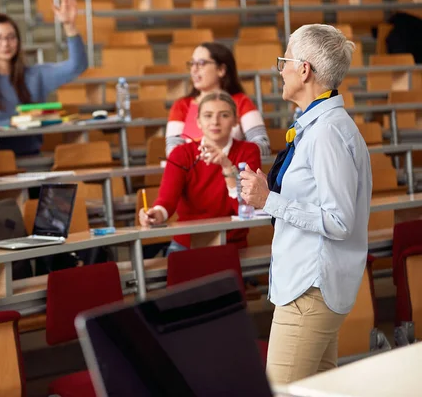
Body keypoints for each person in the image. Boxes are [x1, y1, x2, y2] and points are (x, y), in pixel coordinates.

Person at [239, 24, 372, 384]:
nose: (278, 69)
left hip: (310, 289)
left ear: (304, 69)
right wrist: (270, 196)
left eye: (284, 60)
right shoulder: (319, 126)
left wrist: (271, 200)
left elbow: (339, 219)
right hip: (310, 286)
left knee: (281, 390)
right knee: (318, 389)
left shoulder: (328, 132)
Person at [0, 0, 88, 156]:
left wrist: (69, 26)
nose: (5, 44)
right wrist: (18, 123)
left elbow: (77, 66)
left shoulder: (35, 75)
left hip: (32, 156)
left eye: (11, 37)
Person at [140, 92, 261, 254]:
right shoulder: (181, 154)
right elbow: (166, 201)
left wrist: (227, 167)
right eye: (208, 116)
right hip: (188, 243)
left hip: (232, 244)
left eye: (224, 115)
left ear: (235, 121)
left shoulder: (248, 151)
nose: (215, 122)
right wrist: (156, 213)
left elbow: (246, 208)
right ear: (198, 122)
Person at [166, 42, 270, 157]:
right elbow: (172, 151)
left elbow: (263, 145)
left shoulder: (241, 101)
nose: (194, 70)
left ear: (221, 69)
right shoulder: (181, 105)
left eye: (201, 63)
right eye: (192, 64)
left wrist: (224, 157)